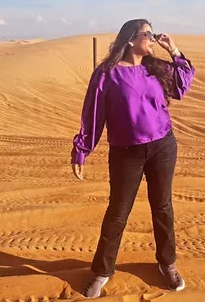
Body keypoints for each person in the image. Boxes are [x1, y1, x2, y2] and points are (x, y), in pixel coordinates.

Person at [70, 18, 195, 298]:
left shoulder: (155, 68)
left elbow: (182, 84)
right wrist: (82, 149)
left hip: (163, 146)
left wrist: (173, 50)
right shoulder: (107, 73)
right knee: (117, 212)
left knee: (162, 207)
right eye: (148, 34)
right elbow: (93, 114)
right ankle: (102, 272)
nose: (153, 38)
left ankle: (167, 263)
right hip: (126, 153)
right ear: (130, 39)